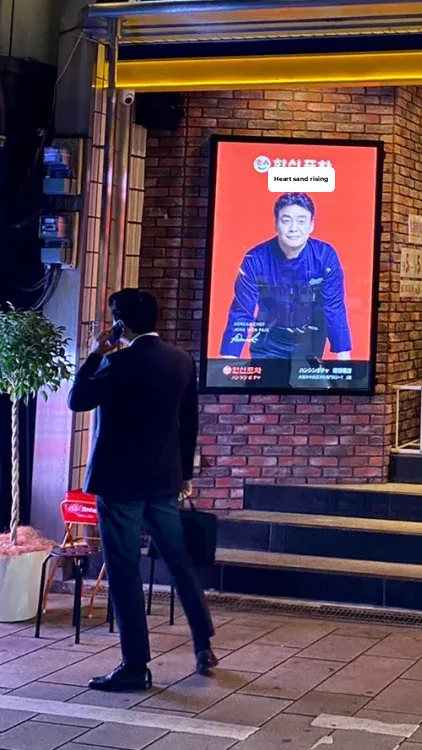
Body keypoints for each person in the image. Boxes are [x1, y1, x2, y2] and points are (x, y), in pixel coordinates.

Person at [68, 288, 217, 692]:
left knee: (123, 568)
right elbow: (189, 424)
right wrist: (184, 473)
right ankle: (203, 644)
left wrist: (97, 353)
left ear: (120, 323)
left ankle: (135, 665)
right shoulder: (181, 361)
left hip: (119, 483)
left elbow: (76, 400)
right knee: (179, 561)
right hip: (164, 479)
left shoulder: (117, 364)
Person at [220, 192, 352, 370]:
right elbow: (242, 312)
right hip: (268, 342)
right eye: (286, 220)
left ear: (311, 225)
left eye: (301, 221)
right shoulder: (255, 258)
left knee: (311, 394)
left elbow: (334, 307)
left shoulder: (325, 256)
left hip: (310, 341)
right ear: (276, 224)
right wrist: (226, 363)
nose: (293, 228)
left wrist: (346, 363)